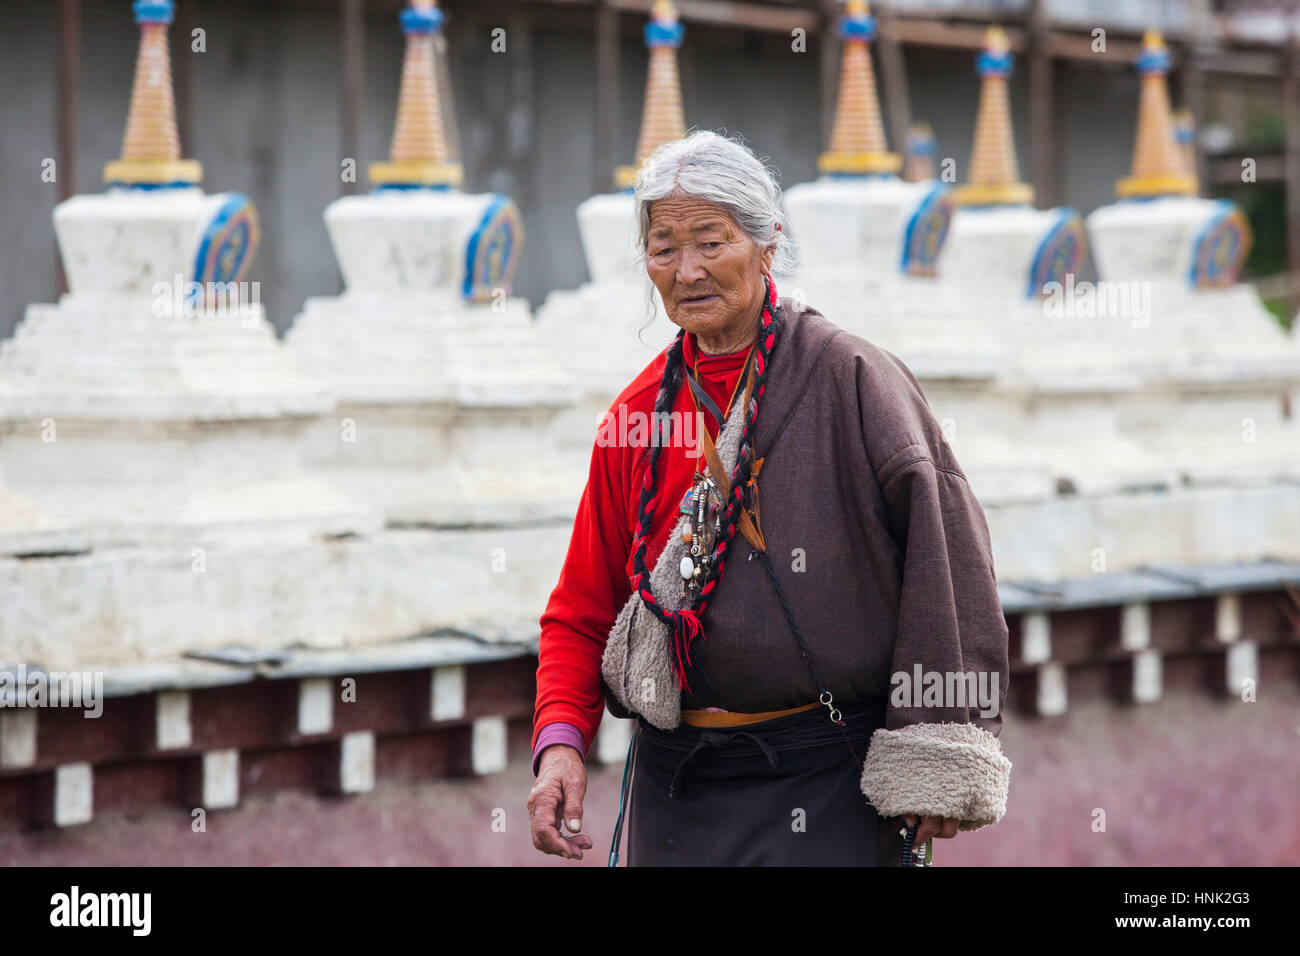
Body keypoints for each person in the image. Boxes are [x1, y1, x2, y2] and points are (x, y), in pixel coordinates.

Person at [527, 130, 1011, 866]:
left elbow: (946, 567)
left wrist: (935, 747)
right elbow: (581, 610)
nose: (686, 270)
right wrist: (560, 745)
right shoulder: (636, 418)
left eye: (710, 242)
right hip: (674, 787)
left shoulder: (853, 381)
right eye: (663, 249)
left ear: (766, 245)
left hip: (823, 776)